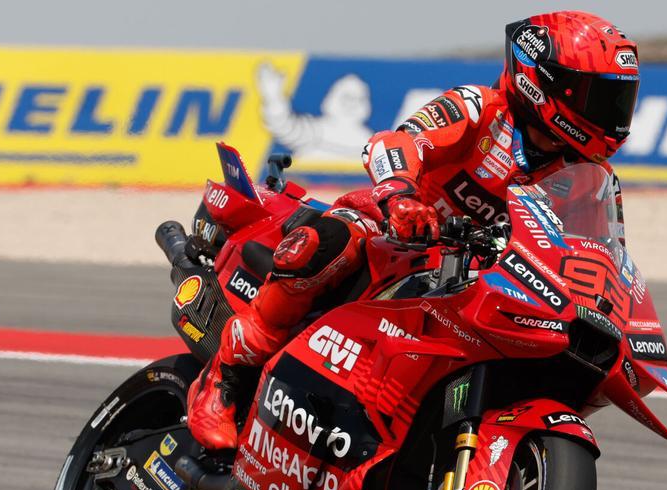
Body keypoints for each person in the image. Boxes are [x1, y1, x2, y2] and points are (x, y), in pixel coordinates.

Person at [188, 11, 641, 450]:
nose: (612, 113)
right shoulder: (481, 109)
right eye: (596, 97)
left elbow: (593, 250)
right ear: (540, 81)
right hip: (394, 234)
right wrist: (401, 197)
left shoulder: (587, 176)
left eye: (618, 98)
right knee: (326, 246)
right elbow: (395, 141)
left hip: (479, 279)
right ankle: (225, 379)